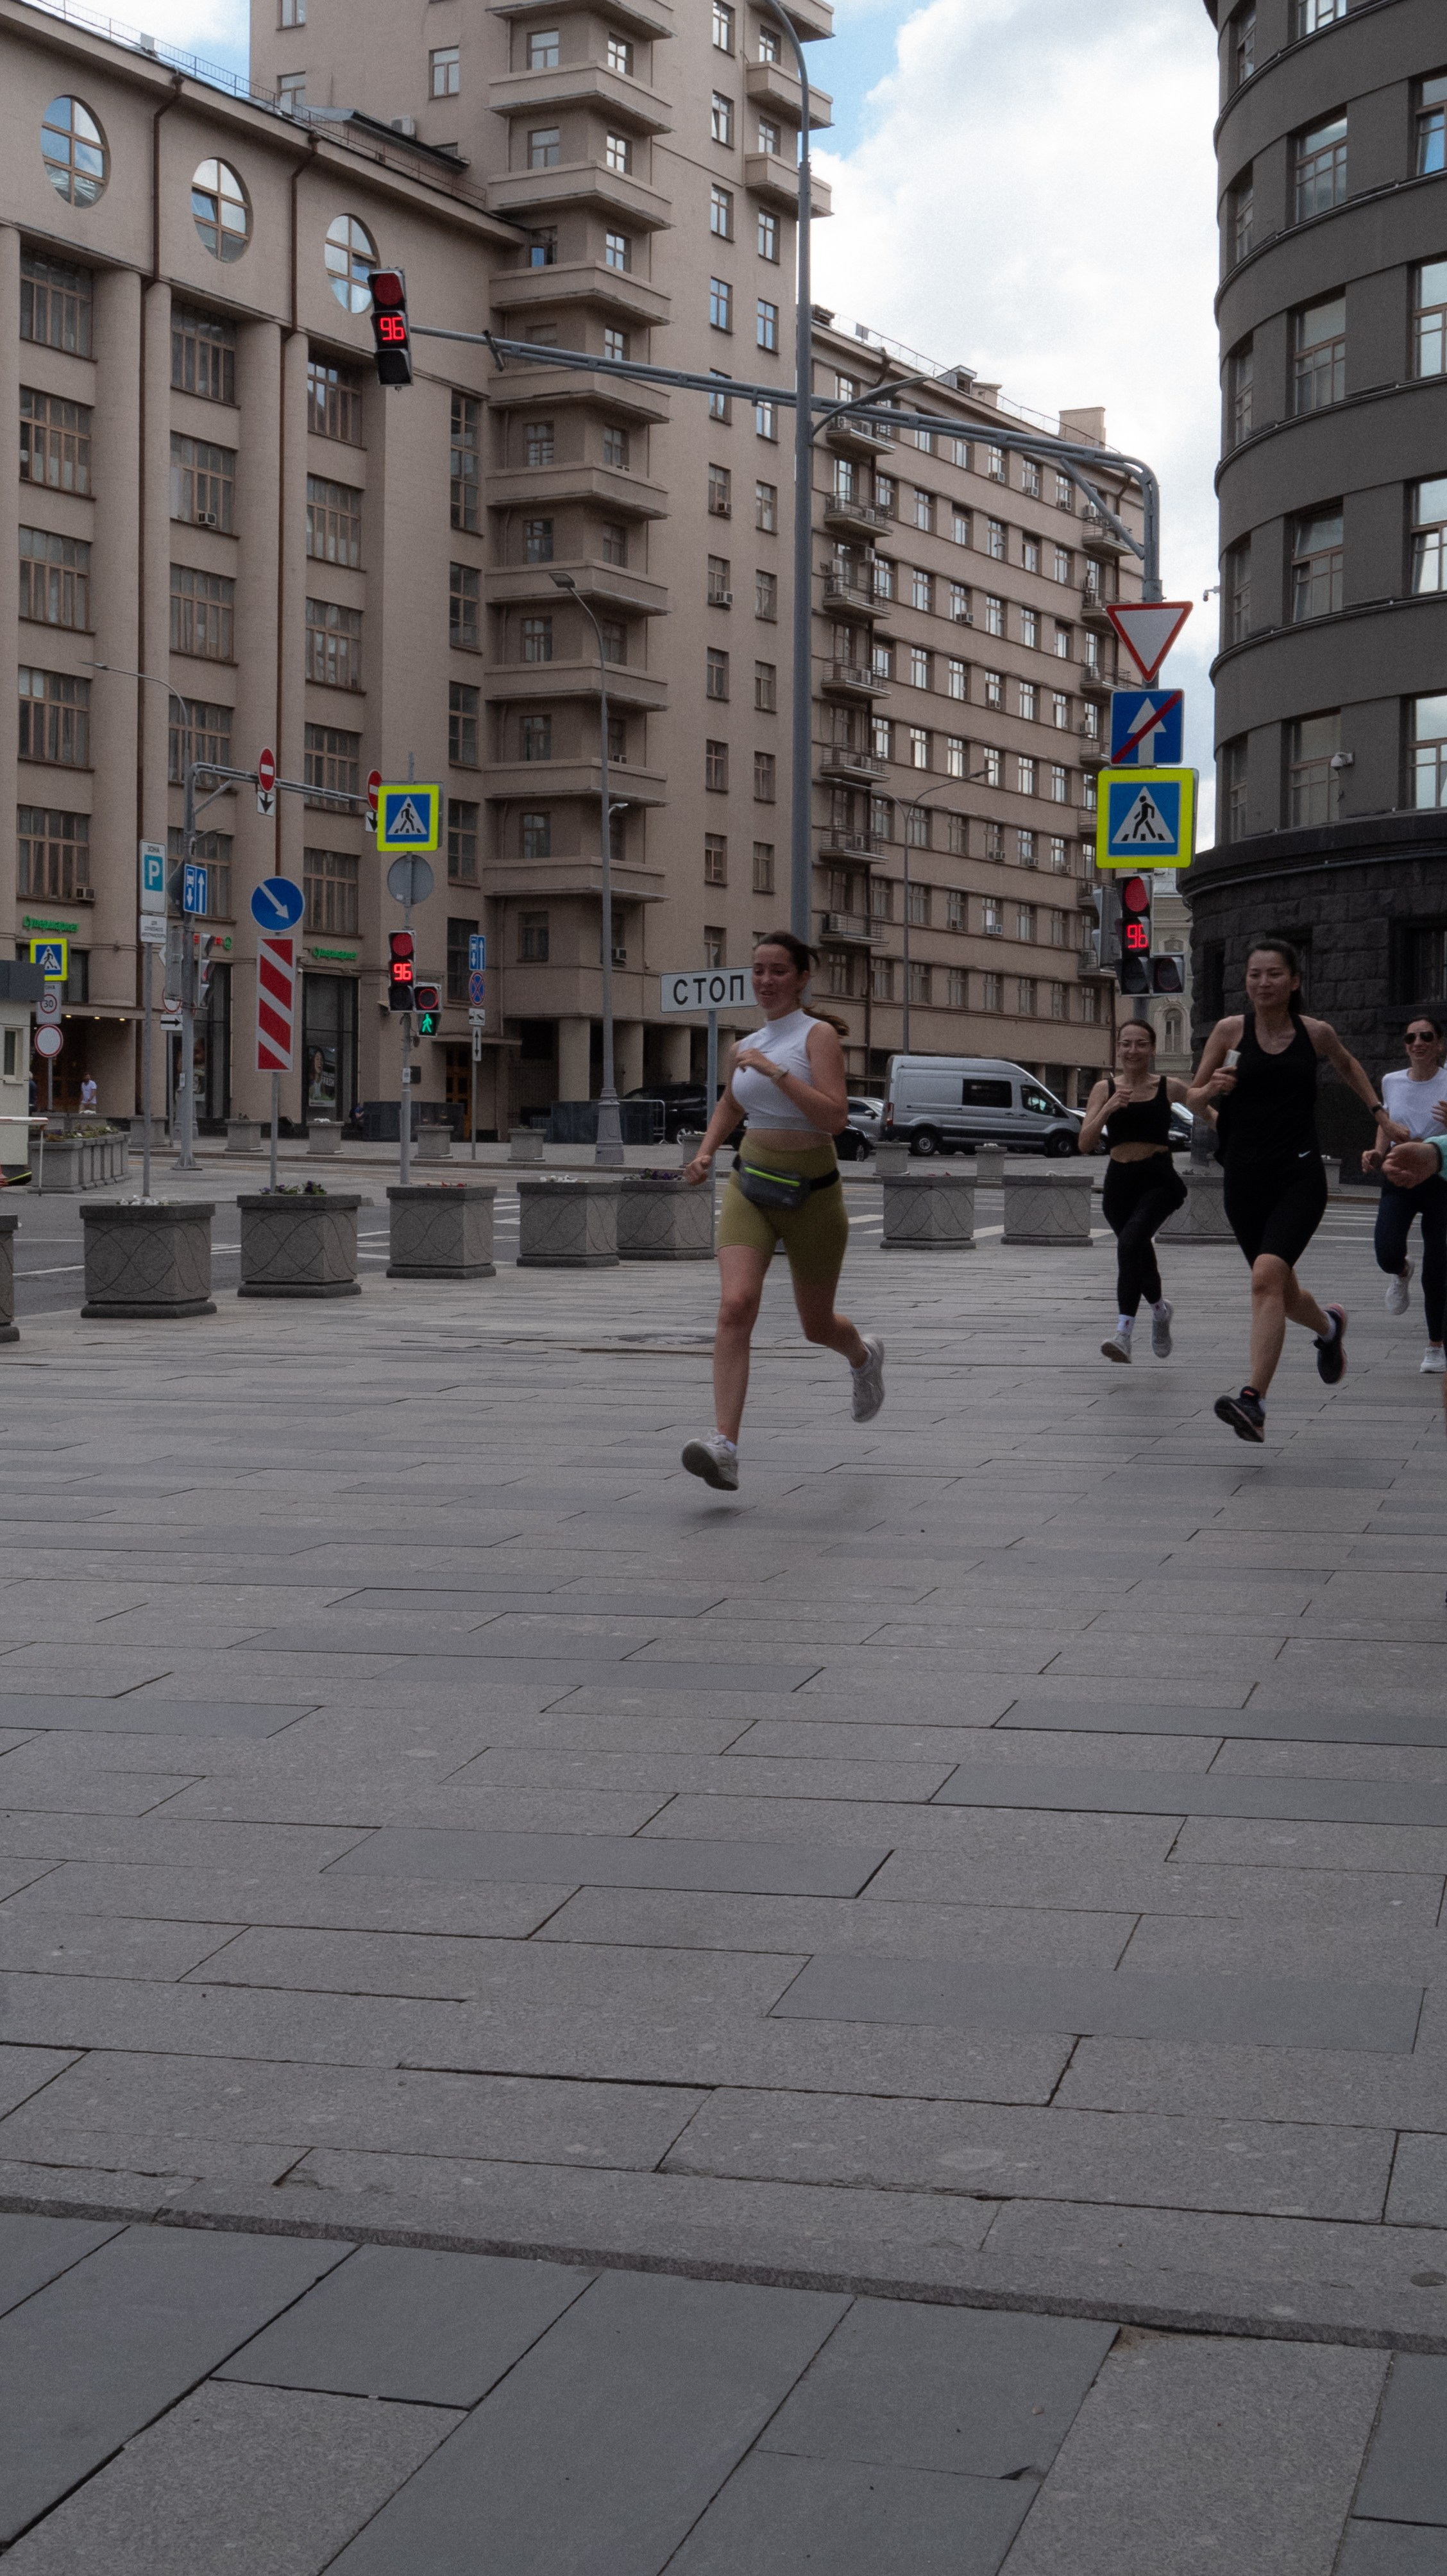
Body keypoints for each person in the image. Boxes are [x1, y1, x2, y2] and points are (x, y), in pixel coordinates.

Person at [679, 930, 884, 1491]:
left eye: (777, 971)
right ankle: (725, 1446)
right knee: (735, 1306)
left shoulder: (815, 1037)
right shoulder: (742, 1044)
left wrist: (776, 1072)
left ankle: (862, 1356)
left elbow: (835, 1119)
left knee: (816, 1325)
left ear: (800, 978)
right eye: (758, 970)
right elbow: (730, 1102)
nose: (765, 981)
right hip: (751, 1184)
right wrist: (704, 1152)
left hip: (813, 1192)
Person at [1189, 938, 1392, 1442]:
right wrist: (1212, 1092)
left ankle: (1252, 1401)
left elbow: (1347, 1064)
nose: (1263, 983)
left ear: (1295, 981)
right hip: (1243, 1178)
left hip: (1299, 1176)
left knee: (1265, 1278)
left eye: (1274, 974)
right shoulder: (1230, 1031)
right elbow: (1192, 1097)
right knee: (1280, 1287)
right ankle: (1328, 1328)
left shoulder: (1316, 1034)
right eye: (1255, 974)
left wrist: (1378, 1113)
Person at [1079, 1019, 1192, 1362]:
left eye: (1141, 1044)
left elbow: (1206, 1110)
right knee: (1137, 1252)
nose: (1133, 1050)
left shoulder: (1169, 1086)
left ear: (1152, 1049)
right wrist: (1109, 1109)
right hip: (1119, 1184)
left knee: (1130, 1244)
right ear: (1118, 1048)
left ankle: (1123, 1333)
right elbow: (1084, 1143)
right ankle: (1160, 1312)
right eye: (1126, 1044)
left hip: (1158, 1179)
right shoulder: (1104, 1088)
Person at [1362, 1013, 1447, 1375]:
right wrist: (1377, 1152)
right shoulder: (1391, 1081)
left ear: (1440, 1044)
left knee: (1439, 1265)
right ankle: (1400, 1272)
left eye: (1426, 1036)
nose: (1417, 1043)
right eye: (1410, 1038)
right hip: (1398, 1169)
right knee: (1386, 1250)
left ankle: (1435, 1346)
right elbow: (1388, 1122)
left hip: (1440, 1175)